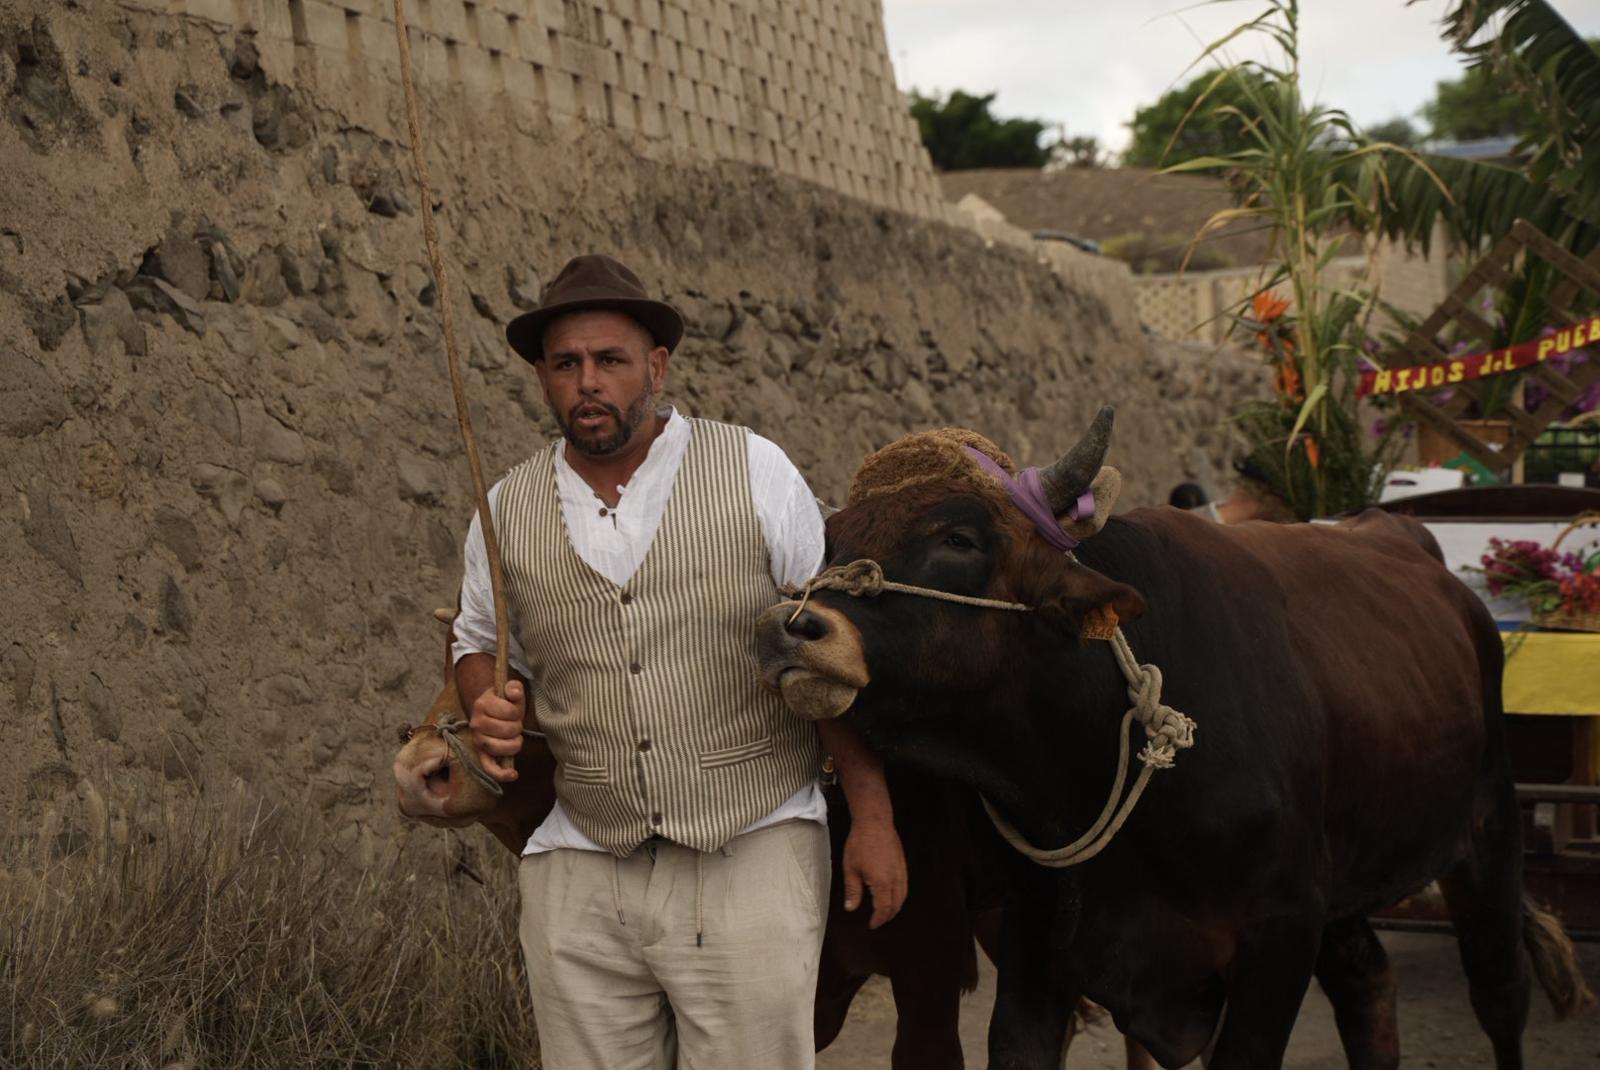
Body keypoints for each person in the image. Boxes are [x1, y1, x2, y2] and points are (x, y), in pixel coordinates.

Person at [453, 253, 908, 1069]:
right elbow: (479, 643)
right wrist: (488, 697)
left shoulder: (753, 470)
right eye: (566, 365)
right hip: (582, 861)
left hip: (750, 845)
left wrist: (871, 818)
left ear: (656, 368)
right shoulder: (505, 508)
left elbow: (830, 655)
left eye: (610, 361)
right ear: (543, 379)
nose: (588, 382)